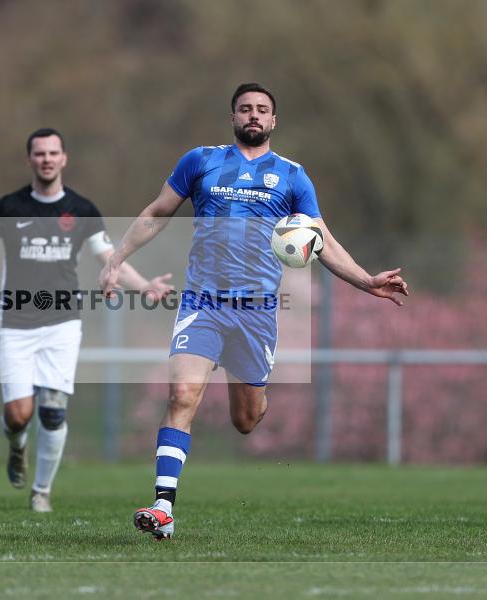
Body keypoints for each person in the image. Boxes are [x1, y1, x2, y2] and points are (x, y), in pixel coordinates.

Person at [99, 83, 409, 540]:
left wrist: (366, 280)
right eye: (245, 108)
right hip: (202, 303)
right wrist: (116, 259)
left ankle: (255, 396)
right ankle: (163, 506)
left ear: (273, 120)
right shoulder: (200, 161)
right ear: (233, 117)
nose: (254, 115)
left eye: (262, 109)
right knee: (182, 394)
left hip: (257, 312)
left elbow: (320, 238)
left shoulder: (292, 176)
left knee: (245, 420)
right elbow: (157, 212)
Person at [0, 128, 172, 512]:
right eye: (40, 153)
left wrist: (144, 286)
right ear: (29, 159)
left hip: (63, 323)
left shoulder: (82, 210)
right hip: (16, 325)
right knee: (19, 415)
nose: (46, 159)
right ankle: (17, 445)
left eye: (53, 153)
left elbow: (110, 261)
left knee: (53, 409)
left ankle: (41, 490)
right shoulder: (8, 208)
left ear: (64, 158)